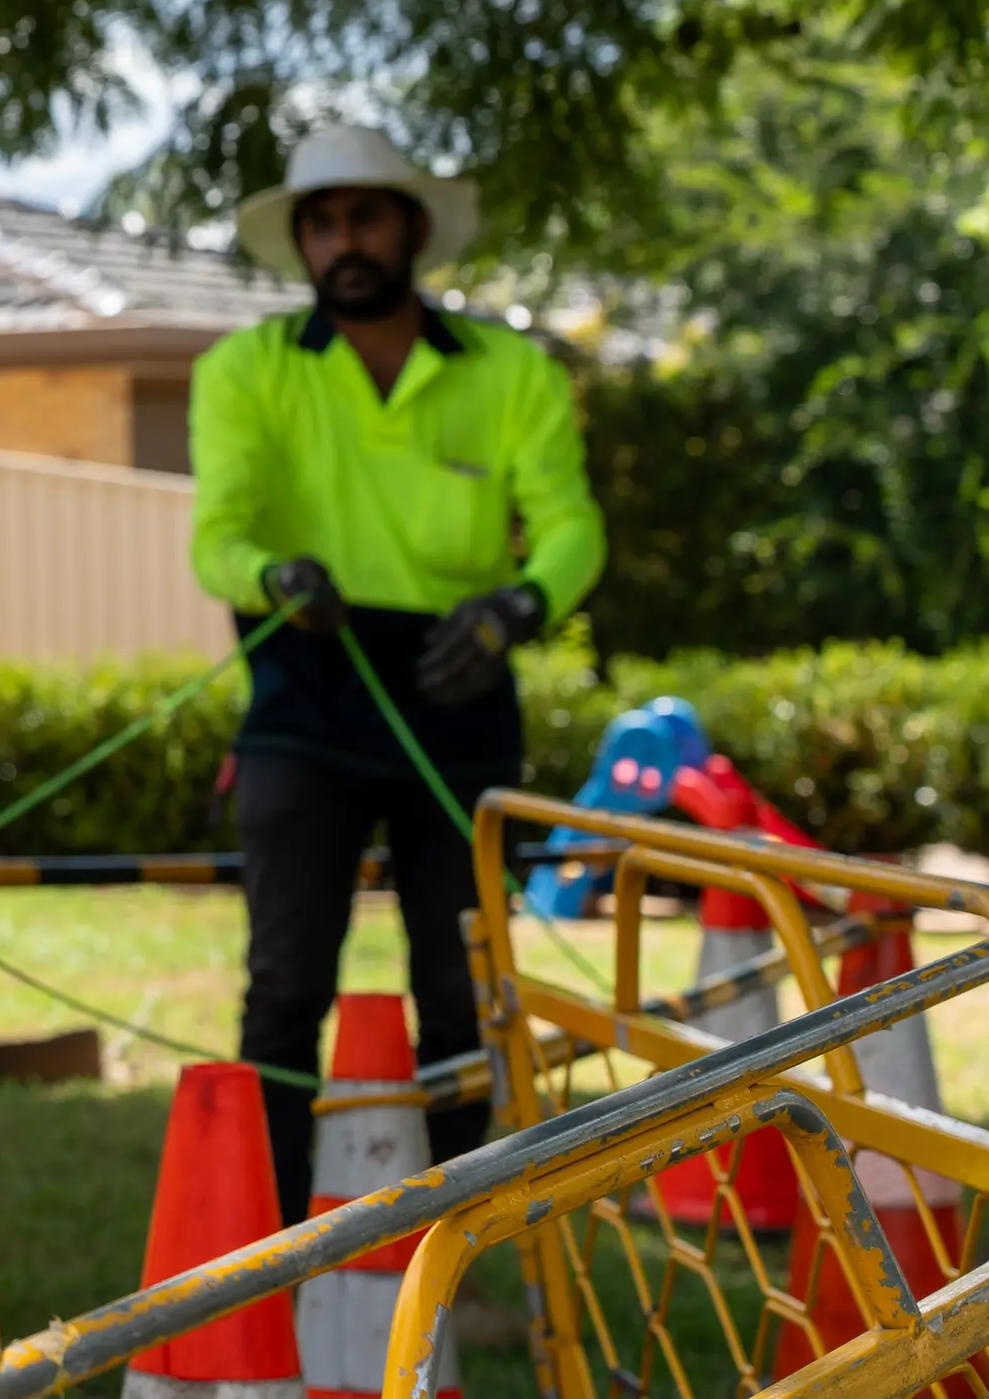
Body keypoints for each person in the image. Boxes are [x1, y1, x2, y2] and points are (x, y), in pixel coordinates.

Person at [187, 124, 604, 1224]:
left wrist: (518, 607)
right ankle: (263, 1245)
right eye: (322, 223)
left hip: (459, 690)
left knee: (462, 990)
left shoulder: (511, 370)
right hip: (301, 692)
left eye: (365, 215)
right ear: (303, 244)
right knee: (283, 986)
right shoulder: (246, 369)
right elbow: (213, 540)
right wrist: (275, 577)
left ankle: (451, 1248)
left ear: (413, 228)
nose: (344, 241)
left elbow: (571, 529)